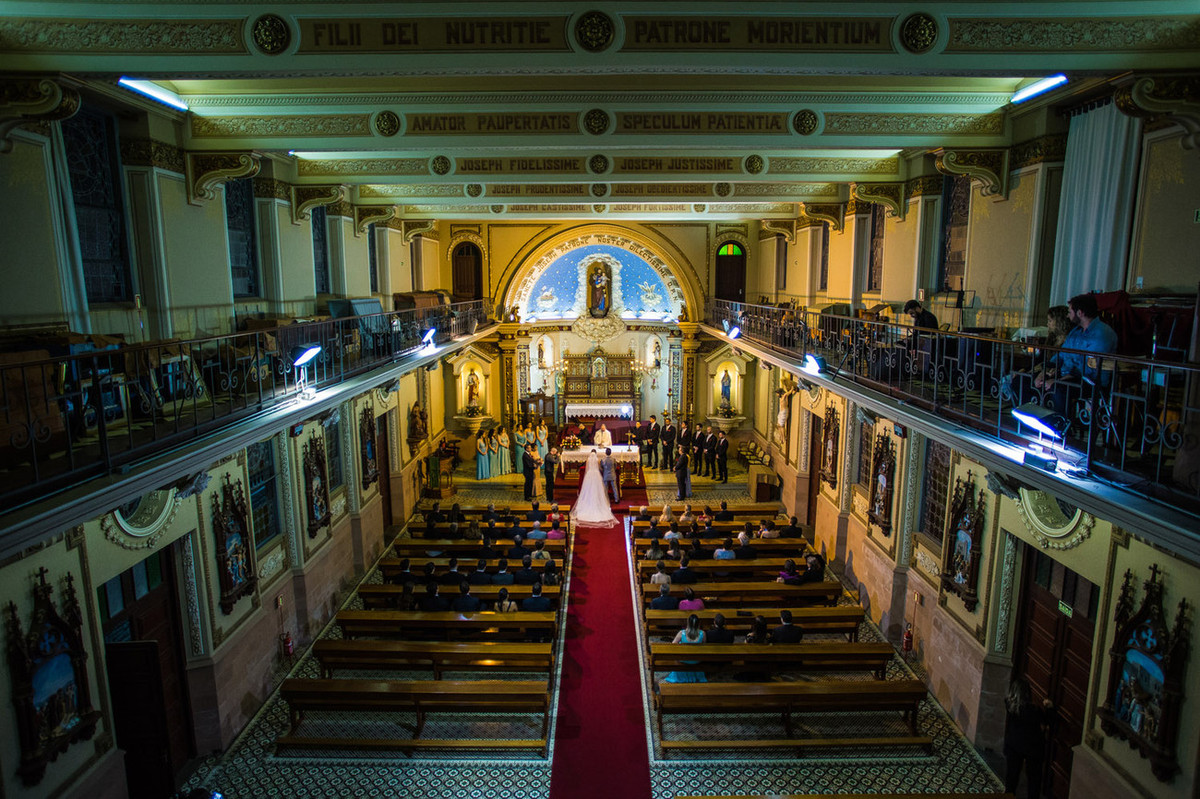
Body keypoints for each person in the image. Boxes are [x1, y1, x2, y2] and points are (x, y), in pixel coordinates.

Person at [1004, 678, 1052, 799]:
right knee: (1033, 782)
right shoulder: (1033, 711)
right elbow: (1046, 722)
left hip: (1014, 745)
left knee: (1011, 779)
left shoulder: (1009, 704)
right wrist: (1049, 708)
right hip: (1032, 749)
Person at [570, 449, 617, 525]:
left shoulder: (588, 460)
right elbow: (599, 468)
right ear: (595, 453)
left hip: (589, 475)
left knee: (588, 490)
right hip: (596, 475)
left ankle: (588, 502)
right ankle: (598, 502)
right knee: (597, 489)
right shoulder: (598, 460)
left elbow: (587, 468)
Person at [663, 614, 707, 684]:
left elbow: (673, 645)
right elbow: (704, 646)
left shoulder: (682, 633)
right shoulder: (702, 633)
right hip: (696, 660)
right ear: (698, 623)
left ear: (688, 623)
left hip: (683, 659)